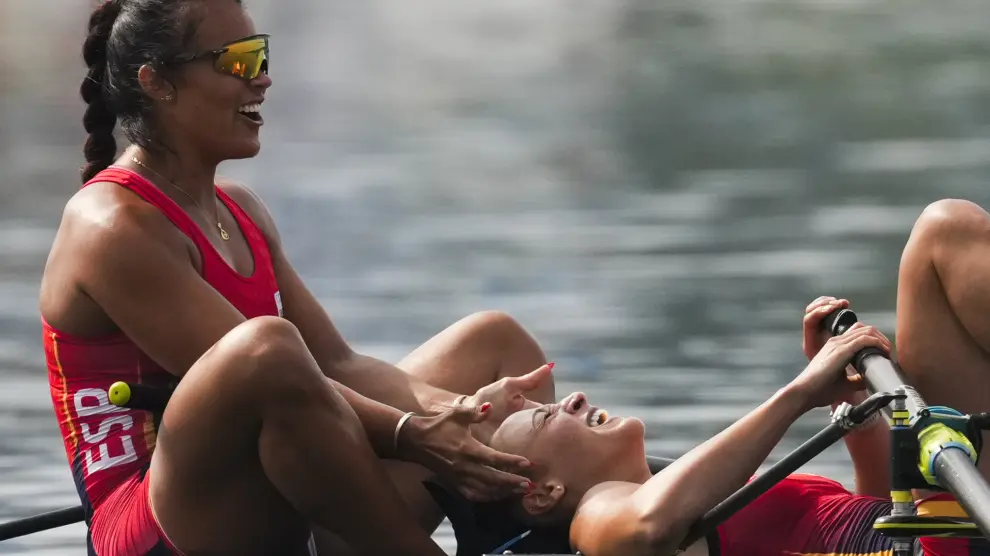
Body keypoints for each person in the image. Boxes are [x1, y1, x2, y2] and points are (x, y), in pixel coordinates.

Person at [39, 1, 556, 555]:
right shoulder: (111, 226)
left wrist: (456, 412)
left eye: (260, 54)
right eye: (236, 61)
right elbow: (274, 371)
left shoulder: (238, 210)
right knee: (267, 348)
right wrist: (414, 432)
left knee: (495, 344)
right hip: (152, 527)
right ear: (158, 82)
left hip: (277, 494)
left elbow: (337, 365)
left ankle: (544, 531)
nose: (262, 77)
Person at [487, 294, 990, 556]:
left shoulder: (681, 488)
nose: (571, 398)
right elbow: (645, 531)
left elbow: (876, 512)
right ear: (543, 492)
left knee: (941, 231)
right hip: (945, 544)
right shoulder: (594, 517)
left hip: (939, 527)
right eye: (545, 416)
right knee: (940, 235)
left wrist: (854, 399)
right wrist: (801, 391)